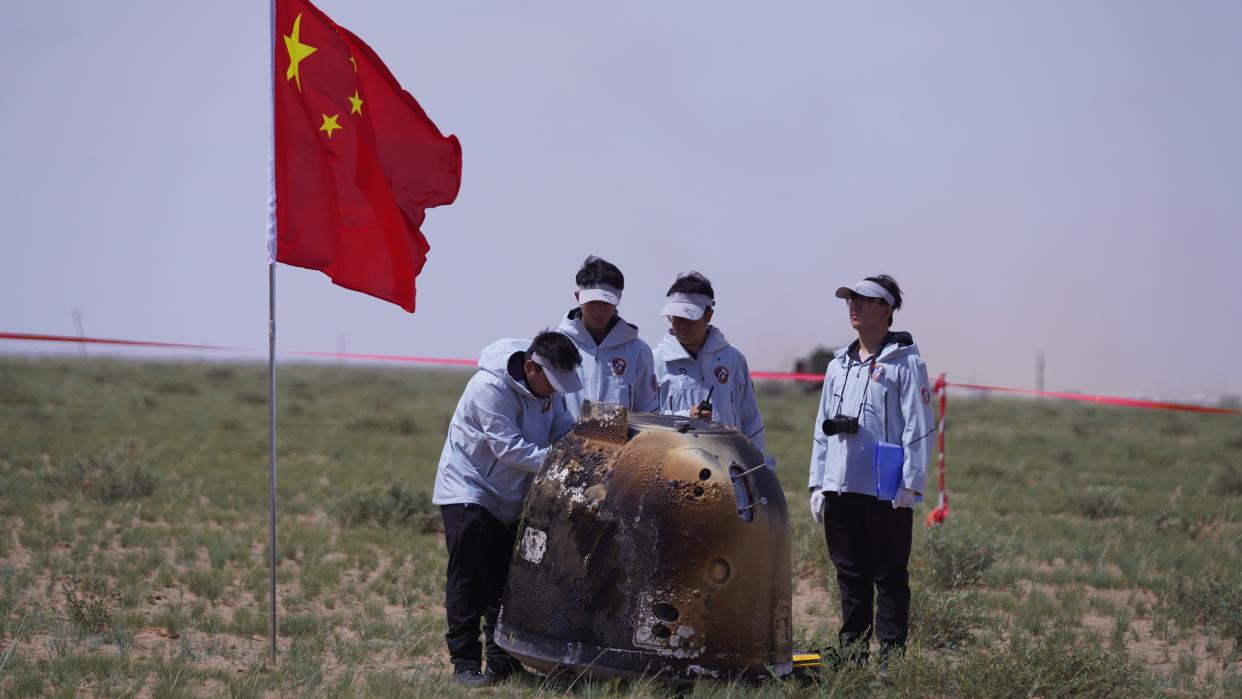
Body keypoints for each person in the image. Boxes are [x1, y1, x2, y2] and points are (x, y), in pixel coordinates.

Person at [431, 331, 583, 686]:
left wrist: (580, 448)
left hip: (512, 495)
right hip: (469, 489)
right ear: (530, 367)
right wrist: (562, 462)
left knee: (506, 582)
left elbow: (562, 428)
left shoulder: (548, 390)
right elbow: (508, 448)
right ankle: (465, 663)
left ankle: (504, 662)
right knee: (470, 579)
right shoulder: (489, 388)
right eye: (553, 383)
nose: (556, 393)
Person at [807, 275, 934, 668]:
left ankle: (891, 662)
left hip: (887, 490)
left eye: (864, 300)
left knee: (890, 577)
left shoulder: (907, 363)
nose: (854, 306)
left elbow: (919, 424)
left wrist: (911, 483)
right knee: (851, 578)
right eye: (850, 300)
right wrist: (818, 482)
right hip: (842, 487)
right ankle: (852, 655)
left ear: (887, 310)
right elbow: (821, 428)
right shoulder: (837, 365)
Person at [653, 271, 767, 459]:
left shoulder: (734, 358)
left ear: (709, 315)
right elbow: (646, 422)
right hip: (674, 467)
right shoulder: (656, 360)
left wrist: (757, 468)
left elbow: (751, 420)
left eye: (689, 318)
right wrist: (686, 416)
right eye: (675, 318)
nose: (681, 325)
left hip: (728, 468)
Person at [556, 255, 659, 418]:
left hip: (623, 443)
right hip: (566, 442)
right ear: (578, 297)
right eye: (592, 302)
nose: (599, 310)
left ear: (618, 300)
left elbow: (647, 412)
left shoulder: (638, 350)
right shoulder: (557, 345)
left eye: (606, 303)